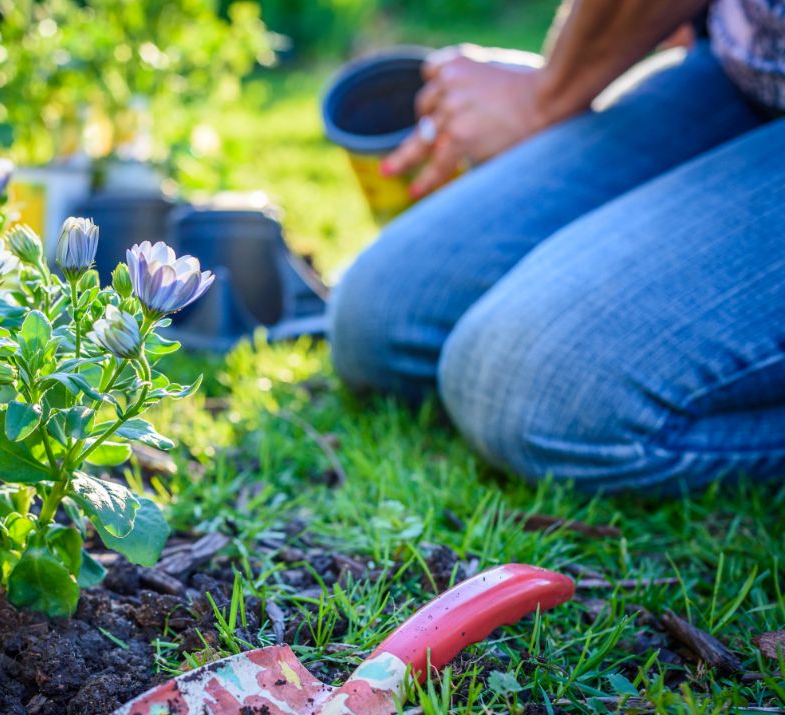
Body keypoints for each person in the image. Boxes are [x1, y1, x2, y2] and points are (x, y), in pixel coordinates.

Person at [329, 0, 785, 494]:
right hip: (739, 71)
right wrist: (551, 91)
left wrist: (548, 96)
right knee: (380, 315)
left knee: (536, 393)